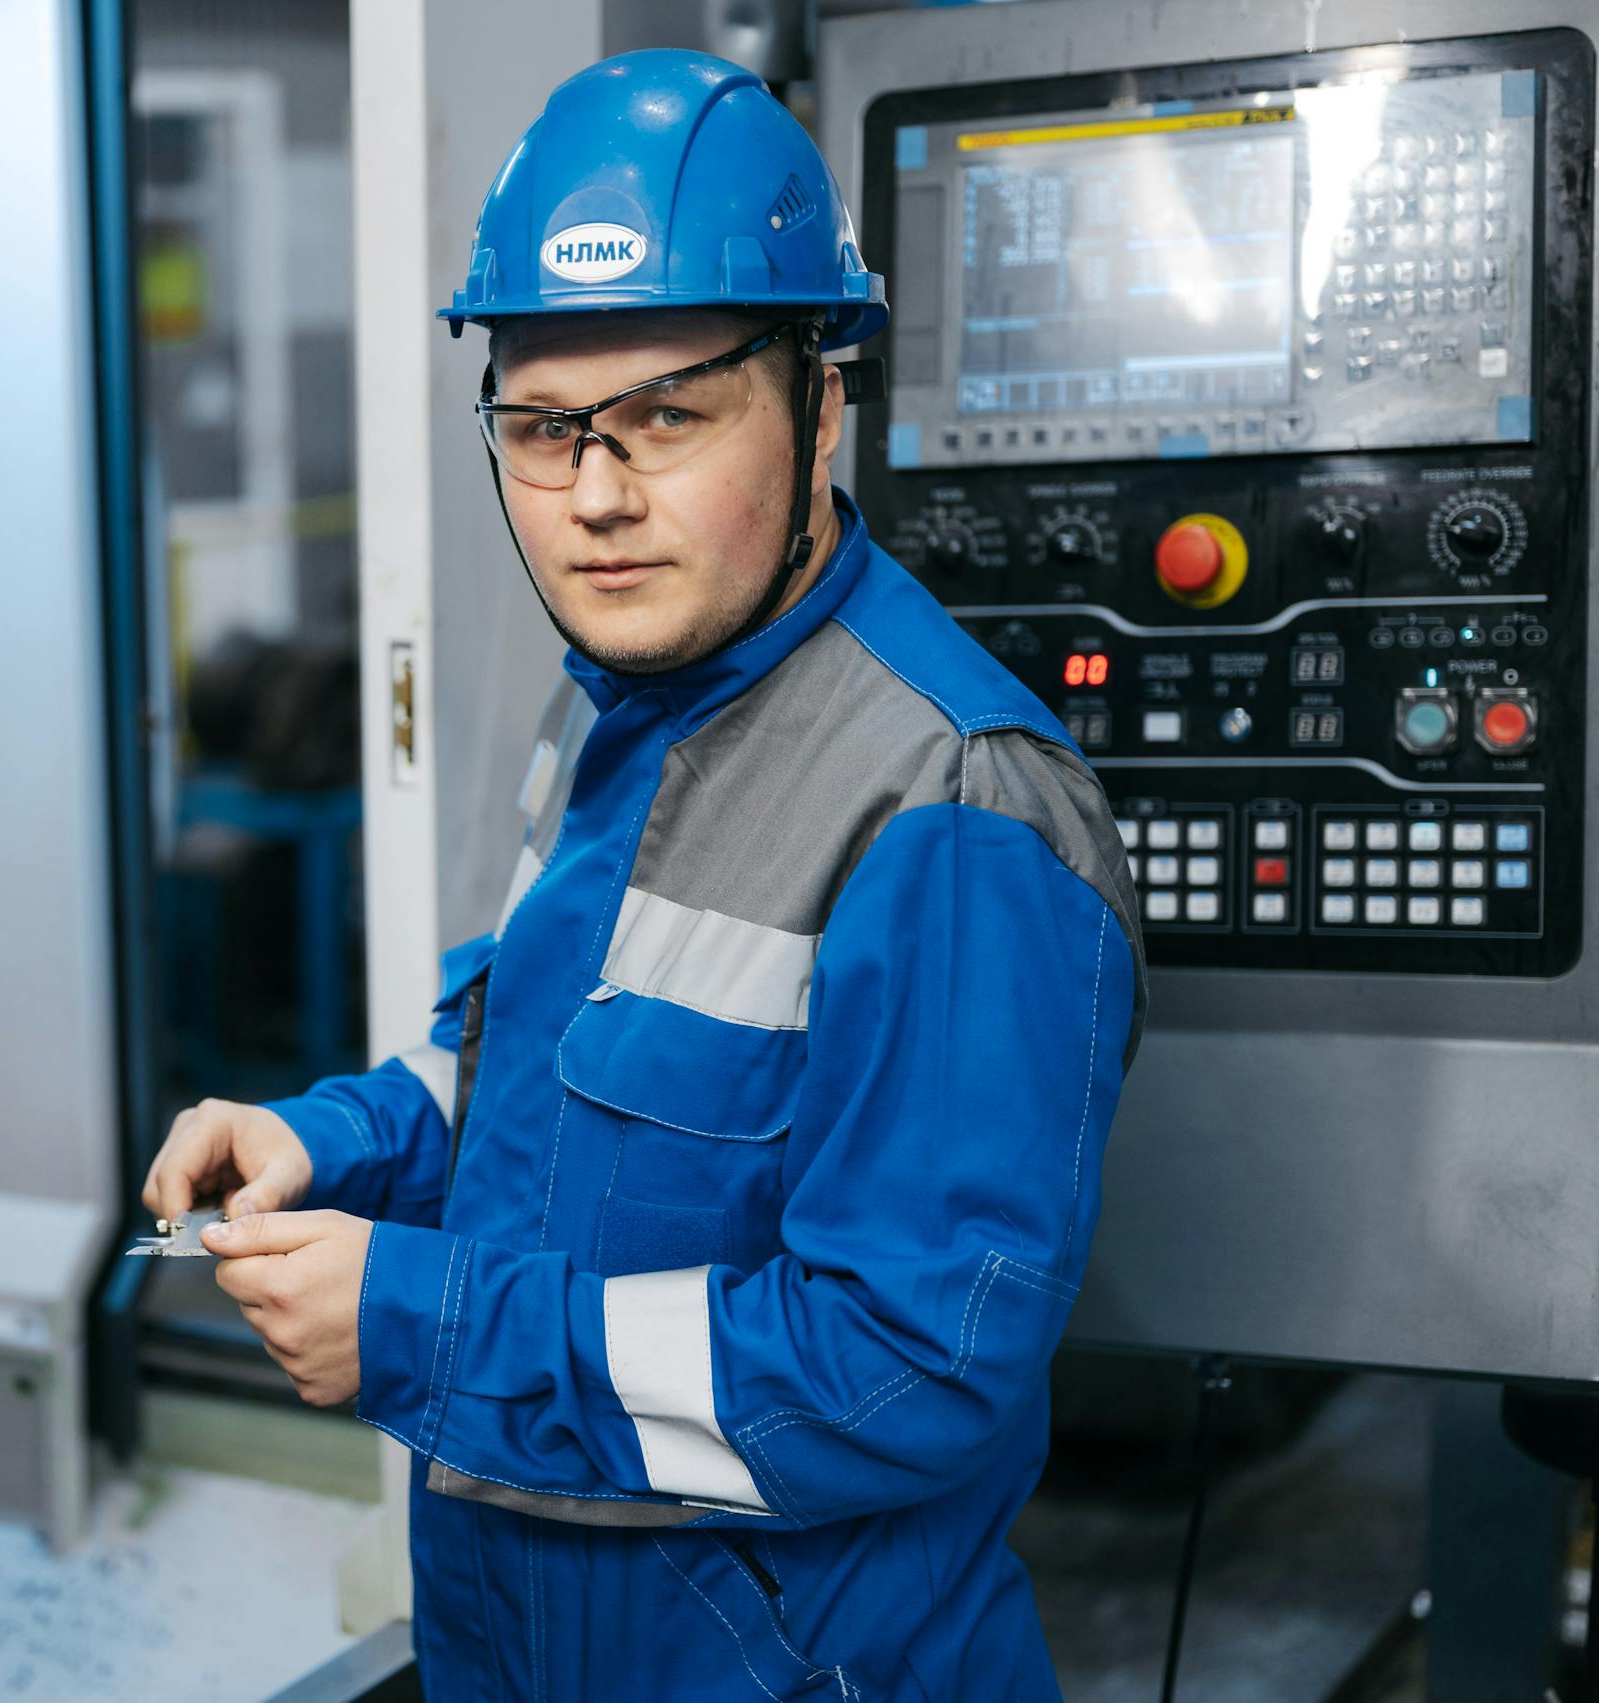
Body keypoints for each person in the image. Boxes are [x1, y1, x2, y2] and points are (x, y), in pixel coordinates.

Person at [142, 48, 1145, 1701]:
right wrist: (328, 1142)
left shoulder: (955, 811)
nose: (598, 497)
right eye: (543, 428)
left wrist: (422, 1323)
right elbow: (532, 1070)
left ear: (822, 407)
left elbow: (909, 1369)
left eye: (670, 415)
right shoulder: (624, 702)